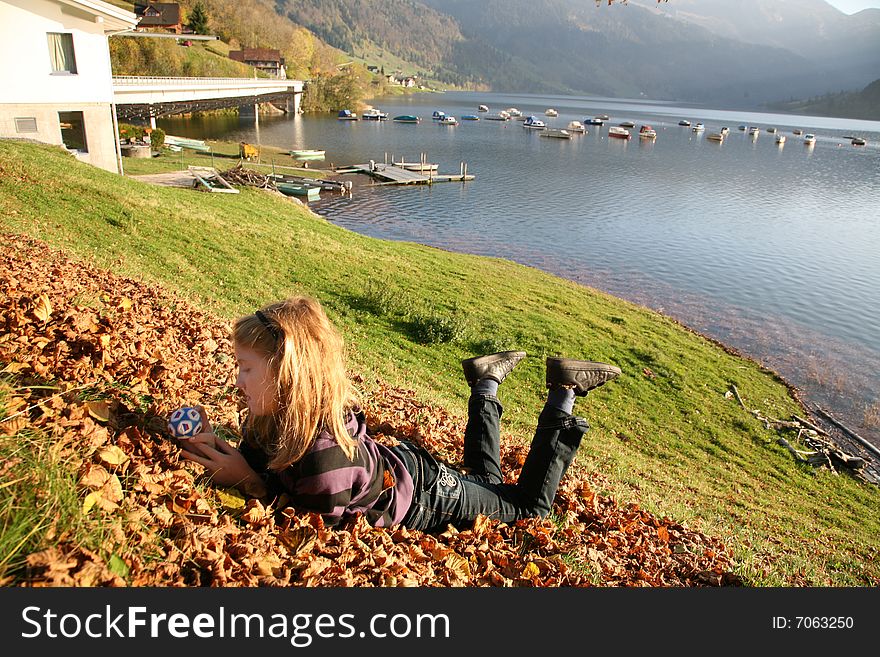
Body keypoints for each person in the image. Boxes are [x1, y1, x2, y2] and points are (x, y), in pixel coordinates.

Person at [180, 296, 621, 532]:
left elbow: (310, 525)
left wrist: (250, 482)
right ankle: (486, 382)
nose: (236, 378)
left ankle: (564, 391)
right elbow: (264, 466)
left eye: (246, 368)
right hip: (403, 472)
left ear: (288, 375)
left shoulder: (324, 461)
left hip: (429, 498)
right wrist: (210, 441)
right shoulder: (274, 415)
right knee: (488, 484)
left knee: (528, 509)